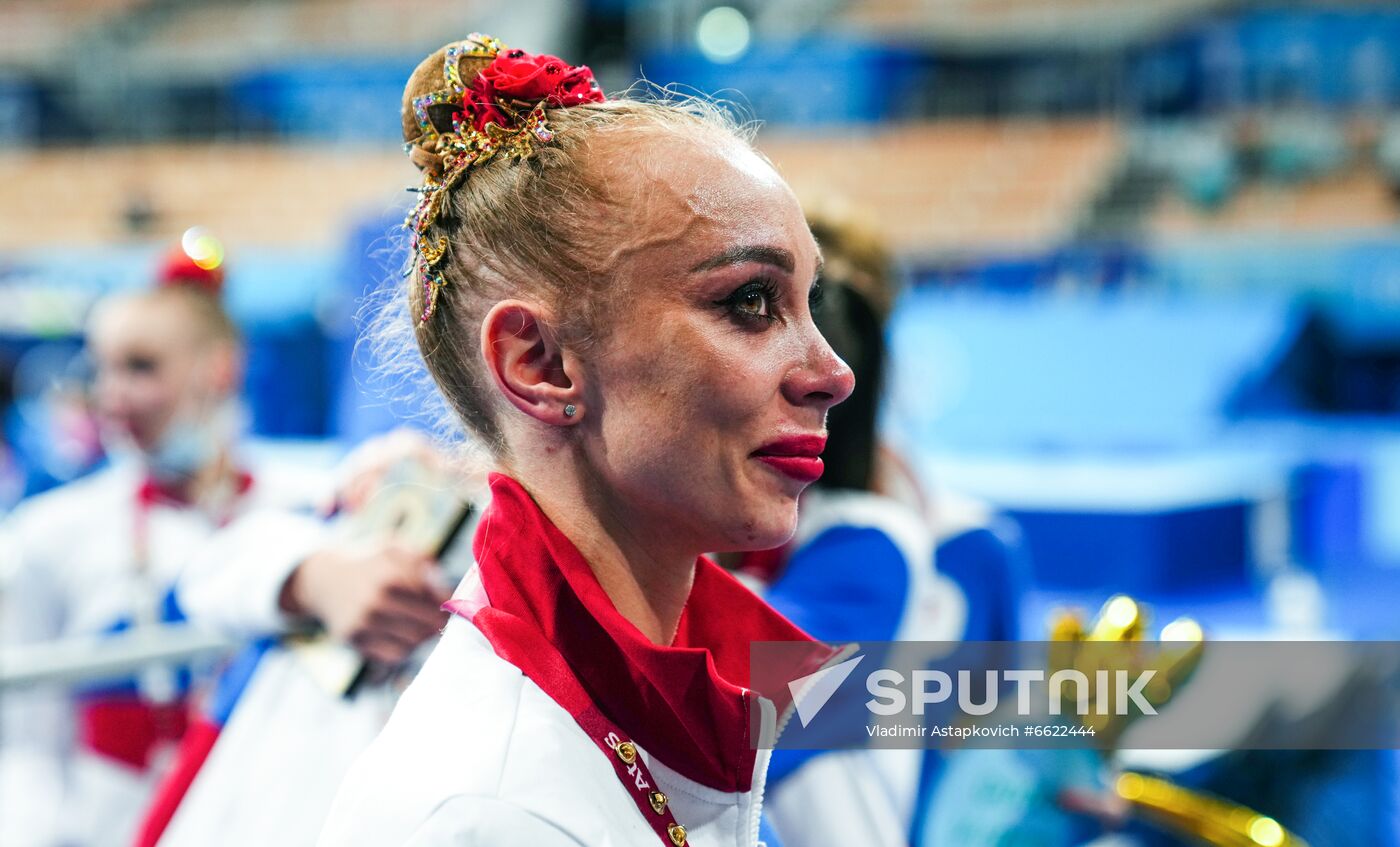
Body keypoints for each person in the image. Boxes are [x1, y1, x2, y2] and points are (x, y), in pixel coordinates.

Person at [318, 33, 855, 846]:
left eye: (810, 301)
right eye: (751, 301)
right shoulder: (488, 814)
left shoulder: (699, 673)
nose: (833, 371)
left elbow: (910, 696)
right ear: (540, 363)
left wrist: (1105, 703)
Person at [0, 253, 327, 847]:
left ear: (220, 368)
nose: (111, 395)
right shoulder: (50, 534)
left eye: (140, 367)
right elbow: (29, 749)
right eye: (101, 370)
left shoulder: (307, 509)